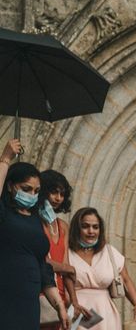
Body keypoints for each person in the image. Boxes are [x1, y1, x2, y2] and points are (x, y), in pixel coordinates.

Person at [0, 139, 69, 330]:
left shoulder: (35, 220)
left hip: (29, 303)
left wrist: (59, 305)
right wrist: (5, 159)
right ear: (10, 186)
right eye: (26, 189)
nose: (31, 194)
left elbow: (43, 266)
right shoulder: (4, 214)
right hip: (5, 298)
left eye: (36, 191)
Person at [68, 207, 136, 329]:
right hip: (76, 312)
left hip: (105, 312)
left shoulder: (109, 252)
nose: (91, 231)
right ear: (77, 229)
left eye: (95, 227)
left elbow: (125, 280)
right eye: (85, 226)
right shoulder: (67, 253)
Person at [39, 169, 86, 329]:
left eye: (62, 193)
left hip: (61, 295)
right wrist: (68, 268)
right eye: (53, 192)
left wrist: (74, 301)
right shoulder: (34, 222)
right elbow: (41, 261)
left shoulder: (62, 226)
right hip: (41, 293)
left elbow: (66, 269)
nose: (58, 198)